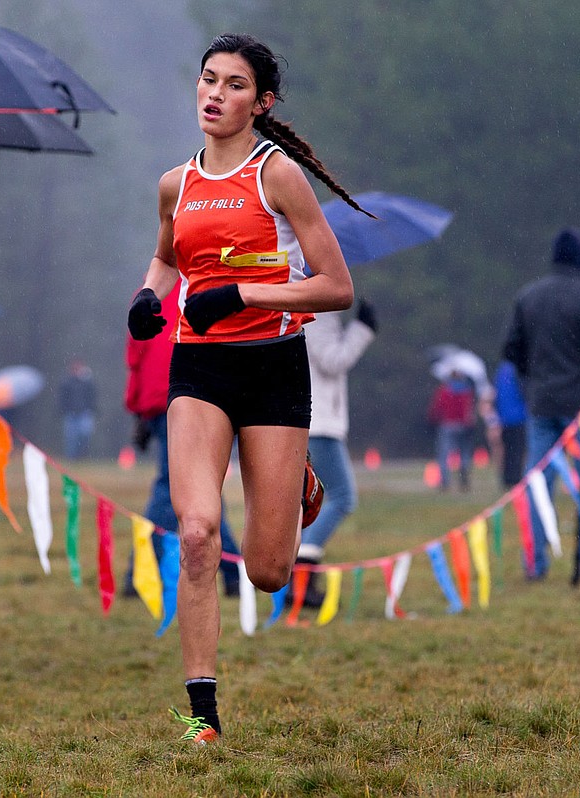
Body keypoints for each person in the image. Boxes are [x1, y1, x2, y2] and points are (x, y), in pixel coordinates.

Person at [125, 33, 357, 744]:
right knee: (196, 533)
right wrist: (146, 295)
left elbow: (337, 287)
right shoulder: (176, 184)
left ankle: (294, 485)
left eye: (232, 85)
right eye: (207, 80)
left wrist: (242, 297)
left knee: (267, 572)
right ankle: (203, 718)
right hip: (199, 371)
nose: (214, 95)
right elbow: (167, 258)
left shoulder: (278, 176)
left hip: (273, 365)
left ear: (261, 102)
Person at [502, 226, 580, 585]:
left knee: (539, 483)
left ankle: (535, 564)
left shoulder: (528, 297)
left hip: (541, 405)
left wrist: (534, 382)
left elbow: (511, 349)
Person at [123, 280, 242, 598]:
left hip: (167, 400)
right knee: (178, 487)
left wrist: (138, 407)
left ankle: (231, 570)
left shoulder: (151, 291)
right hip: (192, 396)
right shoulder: (210, 286)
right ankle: (143, 569)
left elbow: (136, 354)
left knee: (198, 486)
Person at [292, 299, 378, 607]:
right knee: (342, 497)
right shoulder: (318, 311)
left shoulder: (317, 310)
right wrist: (362, 330)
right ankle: (301, 574)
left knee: (310, 501)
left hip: (317, 420)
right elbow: (333, 360)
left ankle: (299, 577)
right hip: (320, 423)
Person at [427, 369, 477, 492]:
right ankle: (463, 478)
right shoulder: (466, 391)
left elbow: (437, 407)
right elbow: (470, 410)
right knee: (464, 454)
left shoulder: (444, 391)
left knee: (444, 454)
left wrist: (433, 419)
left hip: (447, 425)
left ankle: (445, 482)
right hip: (463, 426)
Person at [492, 359, 527, 489]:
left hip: (504, 418)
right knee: (517, 451)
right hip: (519, 416)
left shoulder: (501, 370)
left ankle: (507, 480)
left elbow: (497, 395)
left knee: (508, 451)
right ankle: (516, 480)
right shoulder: (519, 368)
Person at [59, 359, 97, 459]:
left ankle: (82, 456)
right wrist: (64, 409)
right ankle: (71, 458)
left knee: (85, 435)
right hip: (71, 413)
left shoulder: (87, 382)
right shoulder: (67, 382)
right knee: (71, 438)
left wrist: (92, 408)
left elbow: (92, 395)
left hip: (84, 413)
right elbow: (63, 397)